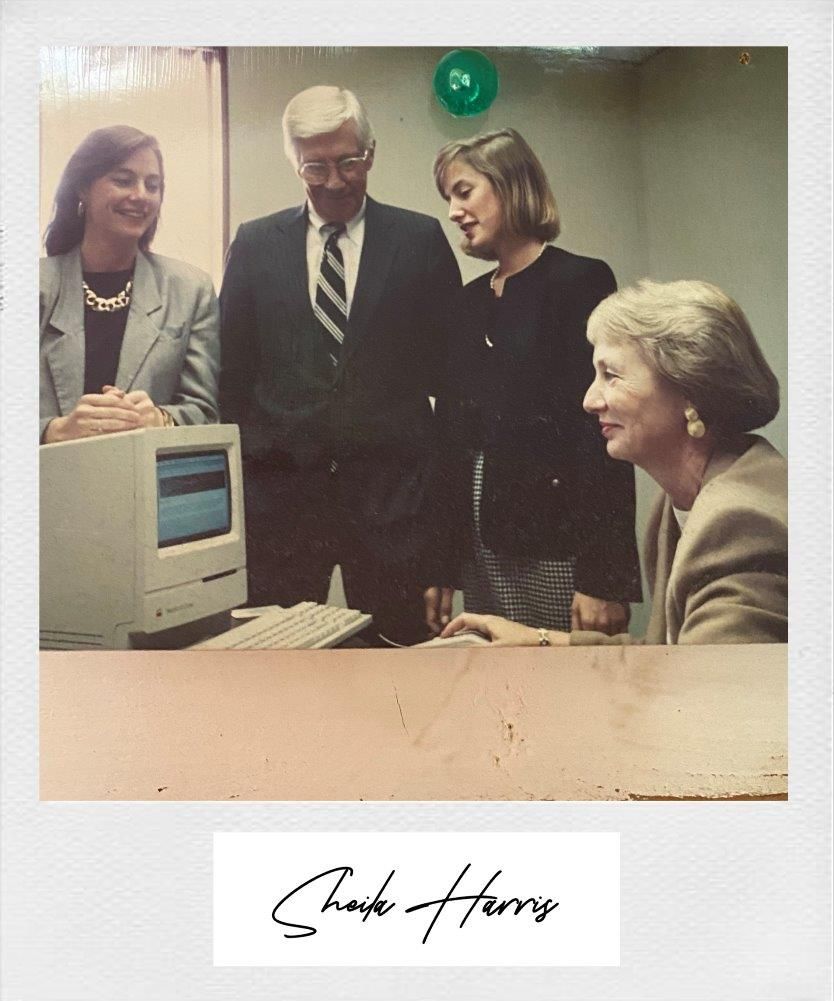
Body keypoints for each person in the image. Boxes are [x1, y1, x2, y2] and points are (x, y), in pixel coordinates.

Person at [219, 85, 461, 646]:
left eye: (349, 162)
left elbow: (452, 396)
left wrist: (443, 555)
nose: (334, 180)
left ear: (371, 153)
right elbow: (230, 382)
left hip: (394, 516)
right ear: (294, 162)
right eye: (315, 166)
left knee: (400, 683)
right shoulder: (255, 243)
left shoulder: (418, 239)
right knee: (272, 682)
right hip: (279, 518)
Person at [442, 278, 787, 646]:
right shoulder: (689, 496)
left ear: (690, 388)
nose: (590, 400)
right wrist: (540, 640)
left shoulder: (737, 524)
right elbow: (672, 656)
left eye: (611, 376)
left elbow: (712, 692)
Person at [427, 128, 641, 637]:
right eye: (448, 199)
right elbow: (451, 440)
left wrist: (603, 577)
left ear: (510, 184)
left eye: (464, 191)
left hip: (555, 542)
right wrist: (440, 564)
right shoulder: (468, 301)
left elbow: (602, 434)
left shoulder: (580, 281)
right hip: (480, 543)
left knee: (569, 691)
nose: (454, 211)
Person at [40, 125, 220, 443]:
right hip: (44, 487)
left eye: (153, 185)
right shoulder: (29, 288)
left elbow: (205, 413)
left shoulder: (190, 290)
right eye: (123, 181)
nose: (141, 196)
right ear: (83, 187)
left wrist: (161, 419)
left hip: (146, 485)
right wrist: (54, 430)